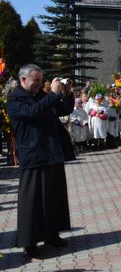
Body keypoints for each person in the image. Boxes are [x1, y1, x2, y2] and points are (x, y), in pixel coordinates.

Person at [7, 64, 75, 259]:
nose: (39, 85)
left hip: (51, 152)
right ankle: (29, 243)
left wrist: (66, 93)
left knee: (54, 197)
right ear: (23, 80)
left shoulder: (41, 96)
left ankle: (51, 234)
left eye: (40, 80)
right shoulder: (15, 100)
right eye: (36, 81)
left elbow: (63, 110)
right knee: (32, 201)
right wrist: (52, 95)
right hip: (33, 154)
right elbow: (32, 113)